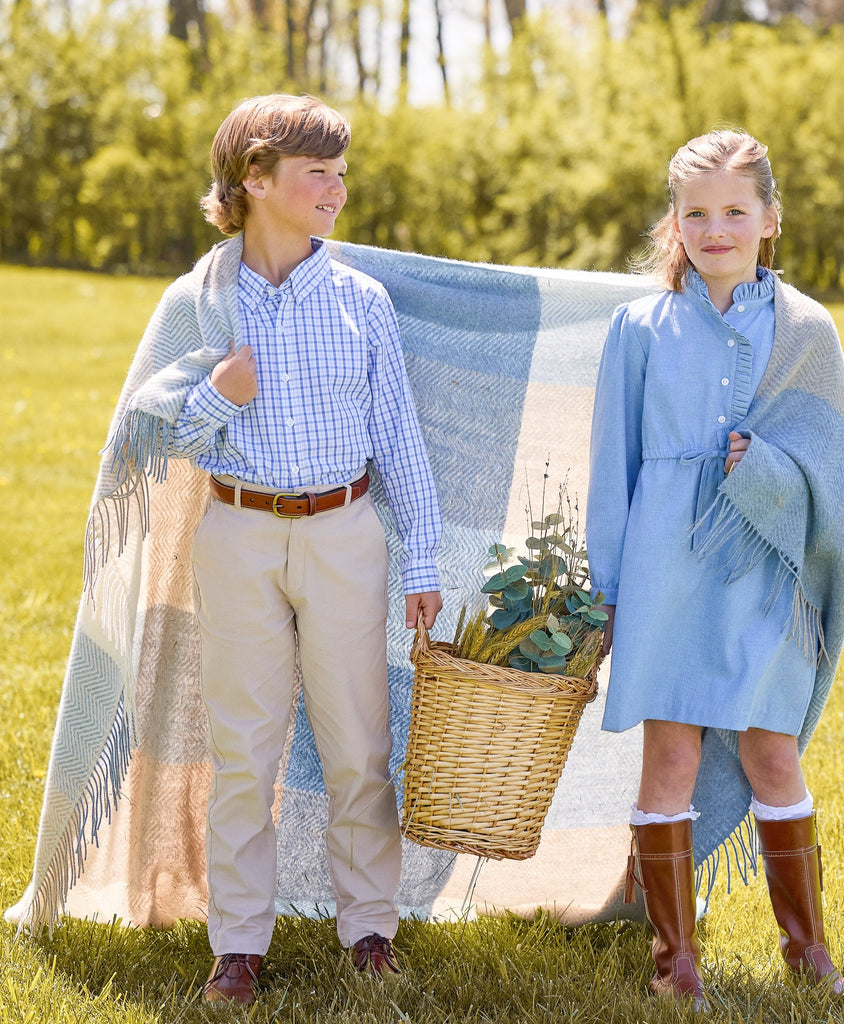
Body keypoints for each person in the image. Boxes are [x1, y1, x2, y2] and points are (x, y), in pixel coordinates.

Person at [131, 94, 442, 1003]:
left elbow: (399, 439)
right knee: (245, 749)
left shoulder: (361, 301)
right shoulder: (202, 300)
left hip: (345, 535)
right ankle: (238, 945)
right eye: (319, 174)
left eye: (342, 175)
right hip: (237, 536)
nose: (337, 191)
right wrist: (224, 395)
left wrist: (421, 559)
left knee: (358, 748)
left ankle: (371, 931)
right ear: (255, 180)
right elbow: (160, 431)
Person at [586, 129, 844, 1009]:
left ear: (769, 220)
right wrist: (614, 588)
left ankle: (808, 952)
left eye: (735, 211)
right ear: (675, 222)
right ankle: (676, 966)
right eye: (696, 212)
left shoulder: (804, 329)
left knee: (771, 750)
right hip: (667, 561)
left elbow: (833, 454)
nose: (715, 228)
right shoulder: (640, 326)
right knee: (668, 754)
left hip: (761, 564)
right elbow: (612, 464)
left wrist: (768, 467)